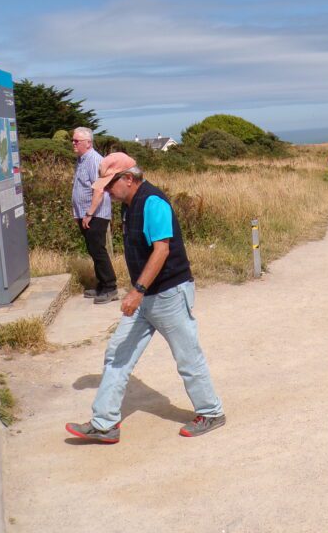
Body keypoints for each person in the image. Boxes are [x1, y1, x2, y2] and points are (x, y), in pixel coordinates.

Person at [66, 163, 225, 444]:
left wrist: (137, 290)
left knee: (187, 356)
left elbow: (162, 250)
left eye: (110, 184)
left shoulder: (153, 202)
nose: (108, 192)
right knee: (117, 353)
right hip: (144, 297)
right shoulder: (128, 204)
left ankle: (211, 412)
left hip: (169, 294)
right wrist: (139, 292)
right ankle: (105, 424)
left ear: (128, 178)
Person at [71, 128, 118, 304]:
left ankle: (110, 287)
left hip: (96, 214)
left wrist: (89, 213)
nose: (73, 144)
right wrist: (79, 213)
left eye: (77, 141)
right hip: (86, 214)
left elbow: (99, 189)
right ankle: (102, 285)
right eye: (73, 140)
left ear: (88, 143)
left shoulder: (94, 160)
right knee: (93, 249)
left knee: (98, 250)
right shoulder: (82, 160)